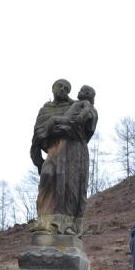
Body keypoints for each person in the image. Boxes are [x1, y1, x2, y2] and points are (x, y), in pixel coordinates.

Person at [31, 79, 98, 235]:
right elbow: (38, 134)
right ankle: (45, 222)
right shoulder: (45, 110)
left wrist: (70, 124)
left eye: (67, 88)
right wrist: (38, 159)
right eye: (60, 86)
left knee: (70, 186)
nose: (63, 89)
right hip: (54, 150)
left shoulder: (76, 105)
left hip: (73, 150)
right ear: (53, 88)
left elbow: (86, 124)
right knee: (47, 176)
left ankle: (66, 224)